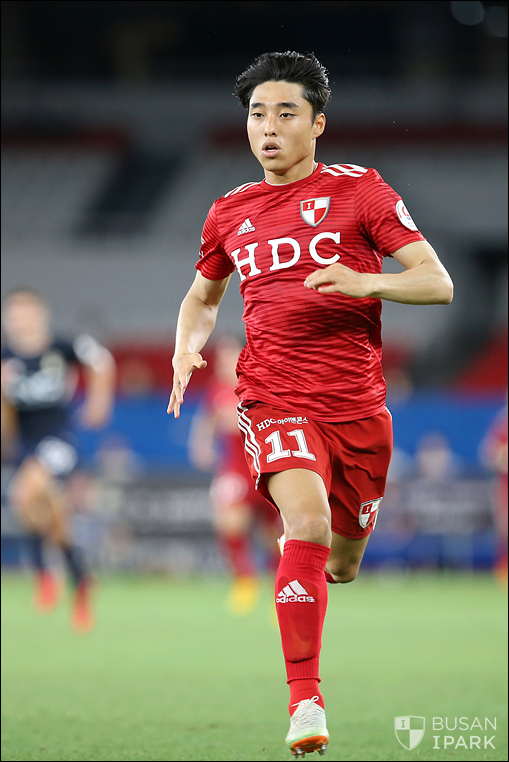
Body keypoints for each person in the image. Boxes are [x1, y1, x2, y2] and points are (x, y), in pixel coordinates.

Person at [167, 51, 453, 757]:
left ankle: (314, 565)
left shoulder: (362, 193)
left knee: (342, 561)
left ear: (318, 123)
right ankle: (304, 702)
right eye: (256, 114)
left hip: (358, 408)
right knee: (307, 521)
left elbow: (437, 283)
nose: (268, 128)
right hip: (272, 396)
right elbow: (202, 297)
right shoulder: (229, 211)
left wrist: (367, 282)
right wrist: (185, 348)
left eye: (285, 113)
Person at [1, 287, 116, 632]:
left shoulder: (62, 347)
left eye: (25, 312)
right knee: (50, 515)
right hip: (25, 445)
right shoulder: (6, 358)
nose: (20, 321)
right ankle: (80, 579)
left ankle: (43, 574)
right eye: (13, 314)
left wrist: (98, 403)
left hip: (58, 439)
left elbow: (102, 362)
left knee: (22, 494)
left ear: (41, 315)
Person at [188, 333, 283, 615]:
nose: (221, 362)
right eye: (221, 356)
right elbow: (207, 419)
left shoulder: (261, 384)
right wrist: (201, 445)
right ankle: (245, 581)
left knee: (273, 533)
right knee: (228, 520)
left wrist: (239, 419)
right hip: (235, 467)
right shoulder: (217, 389)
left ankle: (280, 589)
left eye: (228, 355)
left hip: (265, 465)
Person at [480, 402, 508, 586]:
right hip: (505, 486)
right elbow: (489, 455)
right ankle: (503, 572)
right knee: (504, 529)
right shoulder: (503, 425)